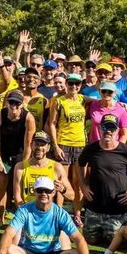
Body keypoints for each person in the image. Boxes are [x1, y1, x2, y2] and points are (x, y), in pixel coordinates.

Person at [0, 175, 92, 254]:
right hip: (29, 253)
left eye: (48, 190)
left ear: (54, 192)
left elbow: (78, 238)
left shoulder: (60, 213)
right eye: (40, 190)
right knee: (9, 249)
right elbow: (8, 233)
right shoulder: (24, 210)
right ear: (35, 192)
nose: (44, 193)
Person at [77, 115, 127, 244]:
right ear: (100, 128)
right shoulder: (91, 149)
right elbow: (80, 164)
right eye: (105, 127)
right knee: (90, 241)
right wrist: (83, 185)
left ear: (117, 131)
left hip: (117, 209)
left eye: (112, 128)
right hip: (94, 208)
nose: (108, 131)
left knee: (117, 242)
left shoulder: (126, 151)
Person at [46, 72, 87, 217]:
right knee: (61, 181)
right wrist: (55, 146)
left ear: (80, 85)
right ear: (66, 84)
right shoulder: (59, 101)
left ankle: (77, 214)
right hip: (63, 143)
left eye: (76, 84)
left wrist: (119, 103)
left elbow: (100, 102)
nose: (73, 86)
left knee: (78, 182)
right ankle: (57, 212)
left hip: (80, 145)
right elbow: (51, 123)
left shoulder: (83, 99)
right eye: (71, 83)